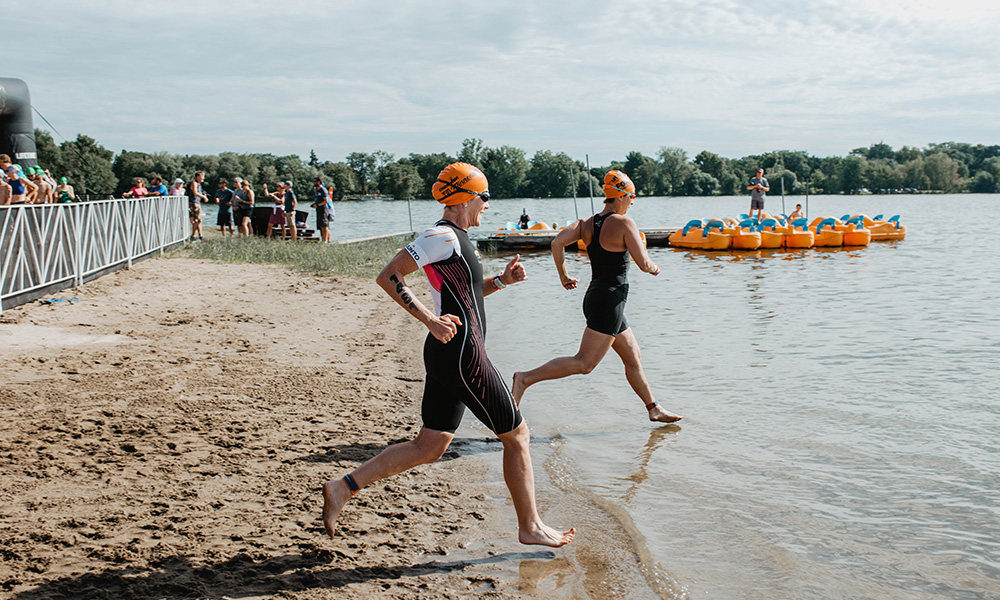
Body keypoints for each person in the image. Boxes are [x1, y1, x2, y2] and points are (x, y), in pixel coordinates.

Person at [322, 162, 575, 548]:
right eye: (483, 197)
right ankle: (530, 526)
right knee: (518, 435)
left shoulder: (456, 238)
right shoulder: (441, 236)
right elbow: (389, 275)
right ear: (464, 197)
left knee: (430, 445)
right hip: (462, 355)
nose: (486, 206)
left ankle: (343, 486)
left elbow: (463, 297)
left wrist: (501, 282)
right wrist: (429, 320)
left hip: (449, 354)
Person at [512, 170, 682, 424]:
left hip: (599, 297)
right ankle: (524, 378)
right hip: (608, 301)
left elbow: (557, 243)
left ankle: (653, 408)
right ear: (623, 195)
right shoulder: (625, 223)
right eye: (632, 196)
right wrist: (655, 267)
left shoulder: (585, 224)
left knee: (633, 357)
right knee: (584, 363)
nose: (633, 201)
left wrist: (564, 276)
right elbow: (644, 263)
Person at [186, 171, 209, 241]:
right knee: (197, 220)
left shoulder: (199, 184)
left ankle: (200, 235)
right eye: (202, 176)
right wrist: (204, 197)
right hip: (194, 203)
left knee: (199, 220)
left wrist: (204, 195)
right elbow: (195, 193)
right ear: (198, 177)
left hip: (197, 203)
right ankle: (193, 236)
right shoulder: (194, 183)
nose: (203, 178)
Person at [310, 177, 330, 242]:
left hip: (323, 209)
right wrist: (314, 204)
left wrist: (318, 205)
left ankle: (326, 240)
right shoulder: (317, 190)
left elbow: (326, 201)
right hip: (318, 209)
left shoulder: (323, 190)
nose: (314, 183)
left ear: (319, 182)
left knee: (325, 225)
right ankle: (323, 239)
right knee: (320, 225)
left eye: (315, 181)